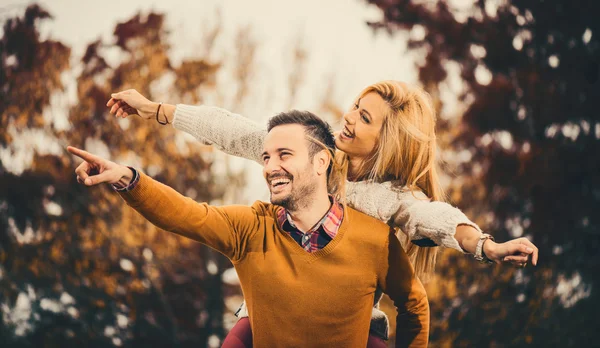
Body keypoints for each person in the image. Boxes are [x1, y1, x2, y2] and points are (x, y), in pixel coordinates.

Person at [106, 80, 539, 345]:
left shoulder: (395, 199)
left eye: (364, 118)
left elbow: (438, 219)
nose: (349, 118)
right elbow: (231, 130)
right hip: (273, 315)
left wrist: (485, 245)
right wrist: (155, 109)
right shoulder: (315, 149)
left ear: (386, 138)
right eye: (354, 106)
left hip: (347, 323)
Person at [67, 110, 430, 348]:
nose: (271, 166)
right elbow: (185, 214)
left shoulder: (374, 239)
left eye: (284, 155)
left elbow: (413, 303)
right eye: (267, 157)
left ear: (322, 162)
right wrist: (129, 179)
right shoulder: (250, 229)